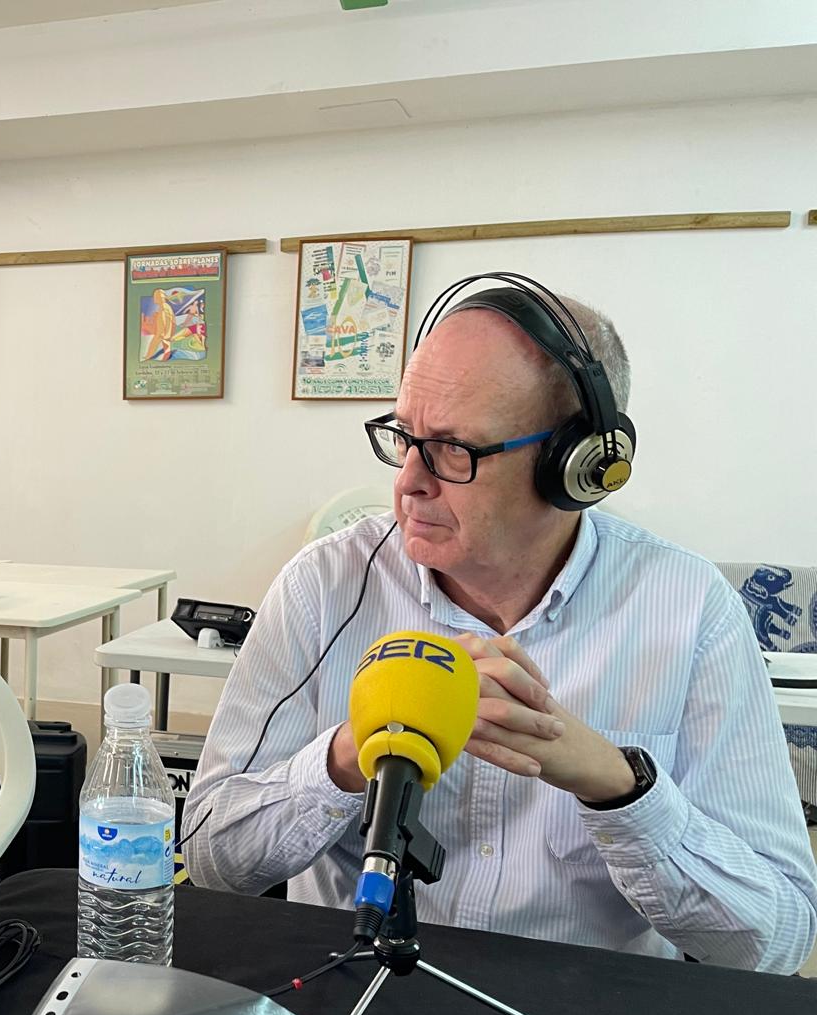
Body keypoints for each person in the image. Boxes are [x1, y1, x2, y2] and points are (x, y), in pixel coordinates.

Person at [183, 279, 817, 973]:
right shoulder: (324, 587)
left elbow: (775, 941)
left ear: (576, 465)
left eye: (455, 450)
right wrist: (342, 758)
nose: (409, 484)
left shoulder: (691, 612)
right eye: (404, 437)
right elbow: (214, 859)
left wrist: (618, 787)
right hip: (352, 994)